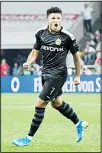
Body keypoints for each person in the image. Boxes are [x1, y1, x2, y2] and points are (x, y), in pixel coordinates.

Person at [12, 7, 88, 147]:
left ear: (61, 19)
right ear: (47, 19)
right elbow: (34, 52)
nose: (56, 20)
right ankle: (79, 123)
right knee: (57, 103)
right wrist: (28, 62)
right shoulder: (40, 33)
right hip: (45, 73)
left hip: (58, 75)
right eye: (53, 18)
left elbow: (77, 58)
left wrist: (78, 76)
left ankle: (28, 138)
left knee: (40, 103)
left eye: (58, 18)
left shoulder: (67, 36)